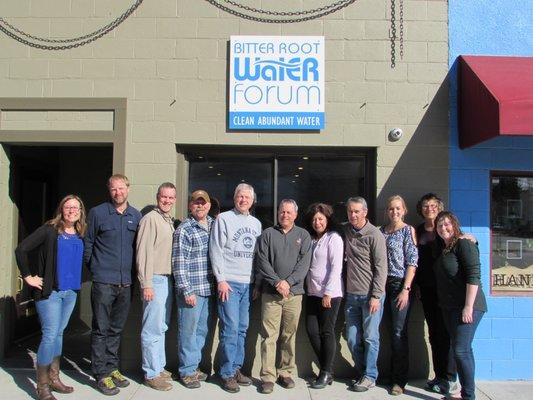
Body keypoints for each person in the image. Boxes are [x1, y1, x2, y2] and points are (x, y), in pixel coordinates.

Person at [15, 195, 86, 400]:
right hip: (50, 293)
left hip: (70, 292)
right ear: (61, 210)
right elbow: (21, 250)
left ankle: (54, 379)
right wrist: (28, 277)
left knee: (59, 334)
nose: (72, 210)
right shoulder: (49, 230)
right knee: (49, 335)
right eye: (68, 207)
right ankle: (42, 385)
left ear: (81, 211)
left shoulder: (80, 233)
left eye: (76, 207)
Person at [84, 174, 142, 395]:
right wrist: (96, 269)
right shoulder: (98, 213)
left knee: (116, 329)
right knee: (101, 329)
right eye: (113, 189)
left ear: (128, 188)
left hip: (126, 283)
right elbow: (88, 243)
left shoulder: (135, 216)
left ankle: (112, 367)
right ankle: (100, 374)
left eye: (121, 188)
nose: (118, 193)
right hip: (103, 282)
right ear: (109, 191)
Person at [256, 199, 312, 394]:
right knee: (269, 336)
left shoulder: (303, 235)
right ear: (277, 213)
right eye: (282, 212)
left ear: (295, 215)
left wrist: (288, 283)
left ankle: (285, 372)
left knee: (289, 335)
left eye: (289, 212)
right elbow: (262, 262)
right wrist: (277, 282)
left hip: (294, 295)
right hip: (271, 294)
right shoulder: (267, 235)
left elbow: (304, 264)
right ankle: (268, 376)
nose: (285, 215)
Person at [210, 183, 262, 393]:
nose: (243, 200)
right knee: (230, 329)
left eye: (247, 197)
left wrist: (257, 282)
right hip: (229, 283)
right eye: (240, 196)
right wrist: (220, 279)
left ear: (252, 201)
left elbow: (259, 257)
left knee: (242, 329)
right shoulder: (223, 219)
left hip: (248, 284)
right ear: (234, 198)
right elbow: (216, 249)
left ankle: (236, 368)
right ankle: (226, 373)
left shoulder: (256, 223)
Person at [433, 211, 487, 400]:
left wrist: (468, 306)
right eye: (440, 225)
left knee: (460, 350)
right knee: (463, 349)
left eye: (447, 224)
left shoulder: (464, 243)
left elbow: (474, 275)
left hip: (468, 306)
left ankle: (469, 397)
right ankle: (465, 393)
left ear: (455, 225)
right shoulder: (445, 248)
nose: (443, 228)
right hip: (450, 307)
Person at [343, 196, 387, 392]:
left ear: (365, 212)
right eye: (350, 211)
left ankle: (370, 376)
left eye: (357, 211)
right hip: (352, 296)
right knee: (352, 338)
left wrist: (376, 296)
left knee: (370, 337)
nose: (353, 214)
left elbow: (381, 268)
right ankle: (363, 371)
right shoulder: (346, 231)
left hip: (371, 296)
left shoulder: (374, 235)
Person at [415, 193, 458, 394]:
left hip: (447, 292)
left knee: (447, 334)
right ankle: (439, 375)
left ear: (440, 207)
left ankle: (450, 378)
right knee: (434, 334)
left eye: (433, 205)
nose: (429, 208)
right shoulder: (418, 230)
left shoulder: (447, 230)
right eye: (425, 206)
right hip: (427, 290)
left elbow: (461, 245)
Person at [136, 183, 177, 391]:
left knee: (161, 326)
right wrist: (146, 283)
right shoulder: (150, 219)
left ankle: (158, 367)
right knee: (152, 328)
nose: (167, 201)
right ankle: (151, 373)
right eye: (164, 197)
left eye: (171, 198)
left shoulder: (167, 220)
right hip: (154, 279)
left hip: (166, 279)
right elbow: (143, 253)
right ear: (157, 197)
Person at [172, 190, 214, 389]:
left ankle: (193, 366)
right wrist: (186, 290)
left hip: (208, 288)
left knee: (201, 331)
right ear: (190, 206)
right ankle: (186, 371)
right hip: (192, 289)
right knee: (188, 332)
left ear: (208, 206)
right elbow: (179, 263)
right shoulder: (185, 229)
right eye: (196, 203)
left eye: (203, 203)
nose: (200, 206)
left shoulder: (214, 224)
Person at [379, 195, 418, 396]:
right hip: (380, 285)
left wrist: (406, 289)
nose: (394, 212)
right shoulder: (380, 231)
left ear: (404, 210)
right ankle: (389, 373)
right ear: (387, 211)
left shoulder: (407, 231)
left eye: (398, 208)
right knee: (386, 331)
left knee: (398, 332)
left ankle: (399, 380)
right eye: (391, 208)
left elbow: (412, 261)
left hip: (398, 285)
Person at [303, 203, 344, 389]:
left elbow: (336, 267)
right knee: (312, 331)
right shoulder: (312, 239)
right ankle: (327, 368)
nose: (317, 222)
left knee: (326, 332)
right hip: (312, 293)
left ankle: (325, 372)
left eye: (320, 219)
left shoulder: (333, 238)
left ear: (327, 220)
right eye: (314, 219)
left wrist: (328, 292)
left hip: (330, 294)